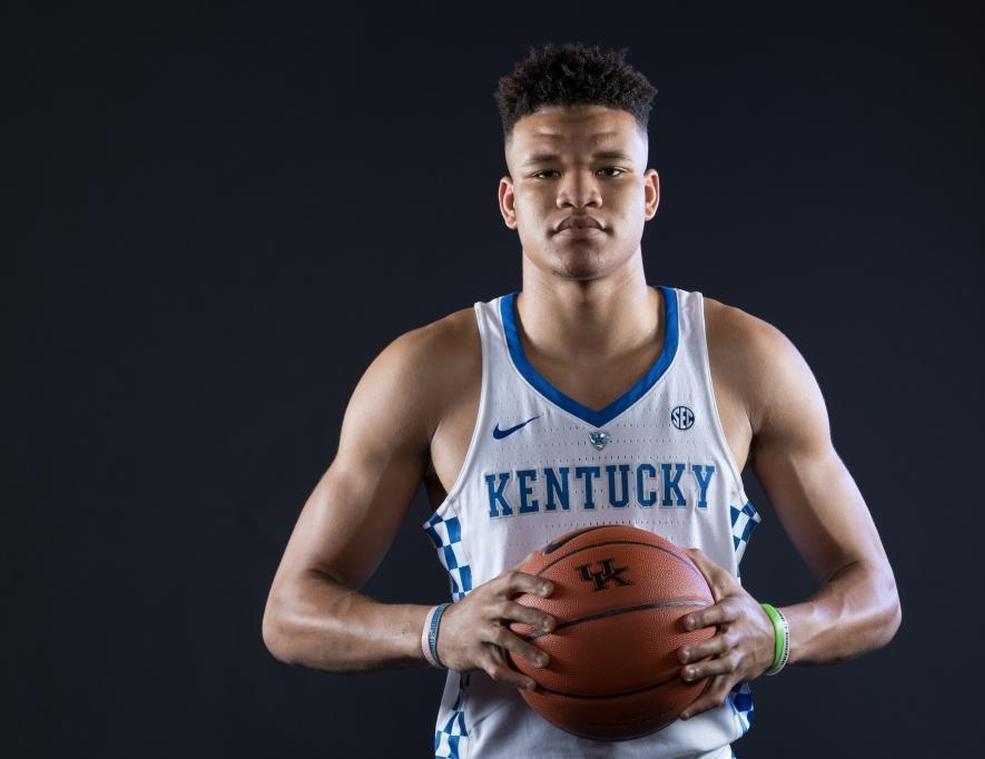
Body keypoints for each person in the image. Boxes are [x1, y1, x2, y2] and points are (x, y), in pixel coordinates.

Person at [261, 42, 901, 758]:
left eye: (609, 168)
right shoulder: (426, 373)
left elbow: (875, 593)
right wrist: (437, 631)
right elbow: (290, 612)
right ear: (510, 200)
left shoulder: (745, 360)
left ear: (649, 192)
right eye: (543, 171)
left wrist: (776, 634)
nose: (578, 193)